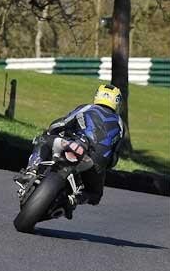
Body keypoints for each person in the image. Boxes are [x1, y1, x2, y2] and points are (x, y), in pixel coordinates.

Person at [15, 84, 125, 218]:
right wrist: (103, 165)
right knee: (95, 195)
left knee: (43, 139)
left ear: (97, 95)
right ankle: (73, 199)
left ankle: (31, 171)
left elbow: (61, 123)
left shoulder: (87, 108)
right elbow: (114, 158)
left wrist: (51, 131)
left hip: (74, 143)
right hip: (96, 162)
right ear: (117, 102)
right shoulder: (120, 124)